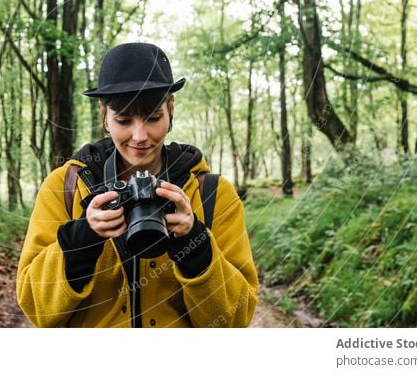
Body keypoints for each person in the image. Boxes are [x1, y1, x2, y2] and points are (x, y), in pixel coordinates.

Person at [16, 42, 258, 327]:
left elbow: (236, 319)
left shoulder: (212, 194)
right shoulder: (65, 186)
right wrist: (82, 238)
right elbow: (36, 309)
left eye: (153, 118)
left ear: (170, 111)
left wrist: (195, 243)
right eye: (123, 120)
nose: (140, 136)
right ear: (104, 117)